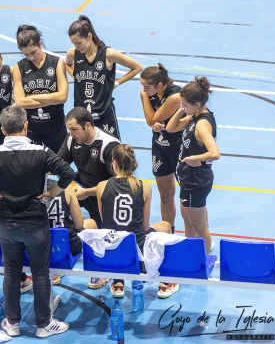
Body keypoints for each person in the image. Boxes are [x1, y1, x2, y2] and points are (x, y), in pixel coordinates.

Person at [0, 106, 75, 338]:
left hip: (7, 224)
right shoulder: (41, 152)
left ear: (2, 129)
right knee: (41, 273)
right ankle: (43, 325)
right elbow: (68, 174)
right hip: (35, 224)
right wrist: (52, 193)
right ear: (26, 126)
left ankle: (12, 323)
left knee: (11, 274)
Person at [84, 144, 176, 298]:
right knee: (165, 225)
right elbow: (145, 226)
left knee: (109, 229)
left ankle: (118, 282)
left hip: (110, 250)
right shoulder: (144, 187)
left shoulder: (101, 186)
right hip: (136, 251)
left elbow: (104, 221)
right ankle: (165, 283)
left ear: (114, 163)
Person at [66, 15, 142, 140]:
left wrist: (116, 83)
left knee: (112, 153)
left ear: (89, 36)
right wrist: (76, 76)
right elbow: (68, 64)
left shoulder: (108, 54)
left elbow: (136, 67)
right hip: (82, 116)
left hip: (104, 113)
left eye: (79, 43)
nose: (77, 47)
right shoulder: (73, 53)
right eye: (74, 43)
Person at [166, 76, 219, 254]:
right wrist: (182, 110)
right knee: (188, 221)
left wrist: (194, 157)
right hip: (188, 179)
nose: (183, 107)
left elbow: (214, 153)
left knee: (199, 226)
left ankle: (203, 259)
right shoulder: (194, 116)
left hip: (195, 180)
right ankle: (191, 254)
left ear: (197, 103)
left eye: (185, 104)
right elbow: (170, 128)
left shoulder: (202, 124)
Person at [58, 107, 120, 229]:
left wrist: (87, 193)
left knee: (101, 229)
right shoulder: (72, 138)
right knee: (58, 197)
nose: (71, 134)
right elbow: (58, 163)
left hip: (101, 192)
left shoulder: (109, 145)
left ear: (87, 125)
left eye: (74, 129)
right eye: (69, 130)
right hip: (81, 185)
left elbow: (117, 184)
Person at [12, 25, 69, 153]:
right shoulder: (18, 68)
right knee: (33, 166)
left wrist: (31, 97)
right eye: (26, 54)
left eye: (33, 52)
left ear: (40, 44)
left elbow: (62, 97)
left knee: (61, 164)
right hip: (31, 126)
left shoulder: (57, 63)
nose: (31, 57)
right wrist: (51, 98)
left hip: (55, 124)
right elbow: (20, 102)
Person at [140, 64, 182, 233]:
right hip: (160, 147)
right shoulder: (150, 91)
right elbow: (151, 121)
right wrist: (154, 122)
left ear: (159, 85)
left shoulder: (174, 96)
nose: (143, 89)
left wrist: (143, 97)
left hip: (179, 148)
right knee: (165, 194)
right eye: (142, 86)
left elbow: (151, 119)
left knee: (187, 198)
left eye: (147, 87)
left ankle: (198, 234)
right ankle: (169, 232)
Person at [43, 178, 93, 285]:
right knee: (91, 223)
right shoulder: (66, 187)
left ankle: (54, 273)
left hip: (35, 250)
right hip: (66, 248)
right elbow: (79, 224)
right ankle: (96, 277)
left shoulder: (24, 190)